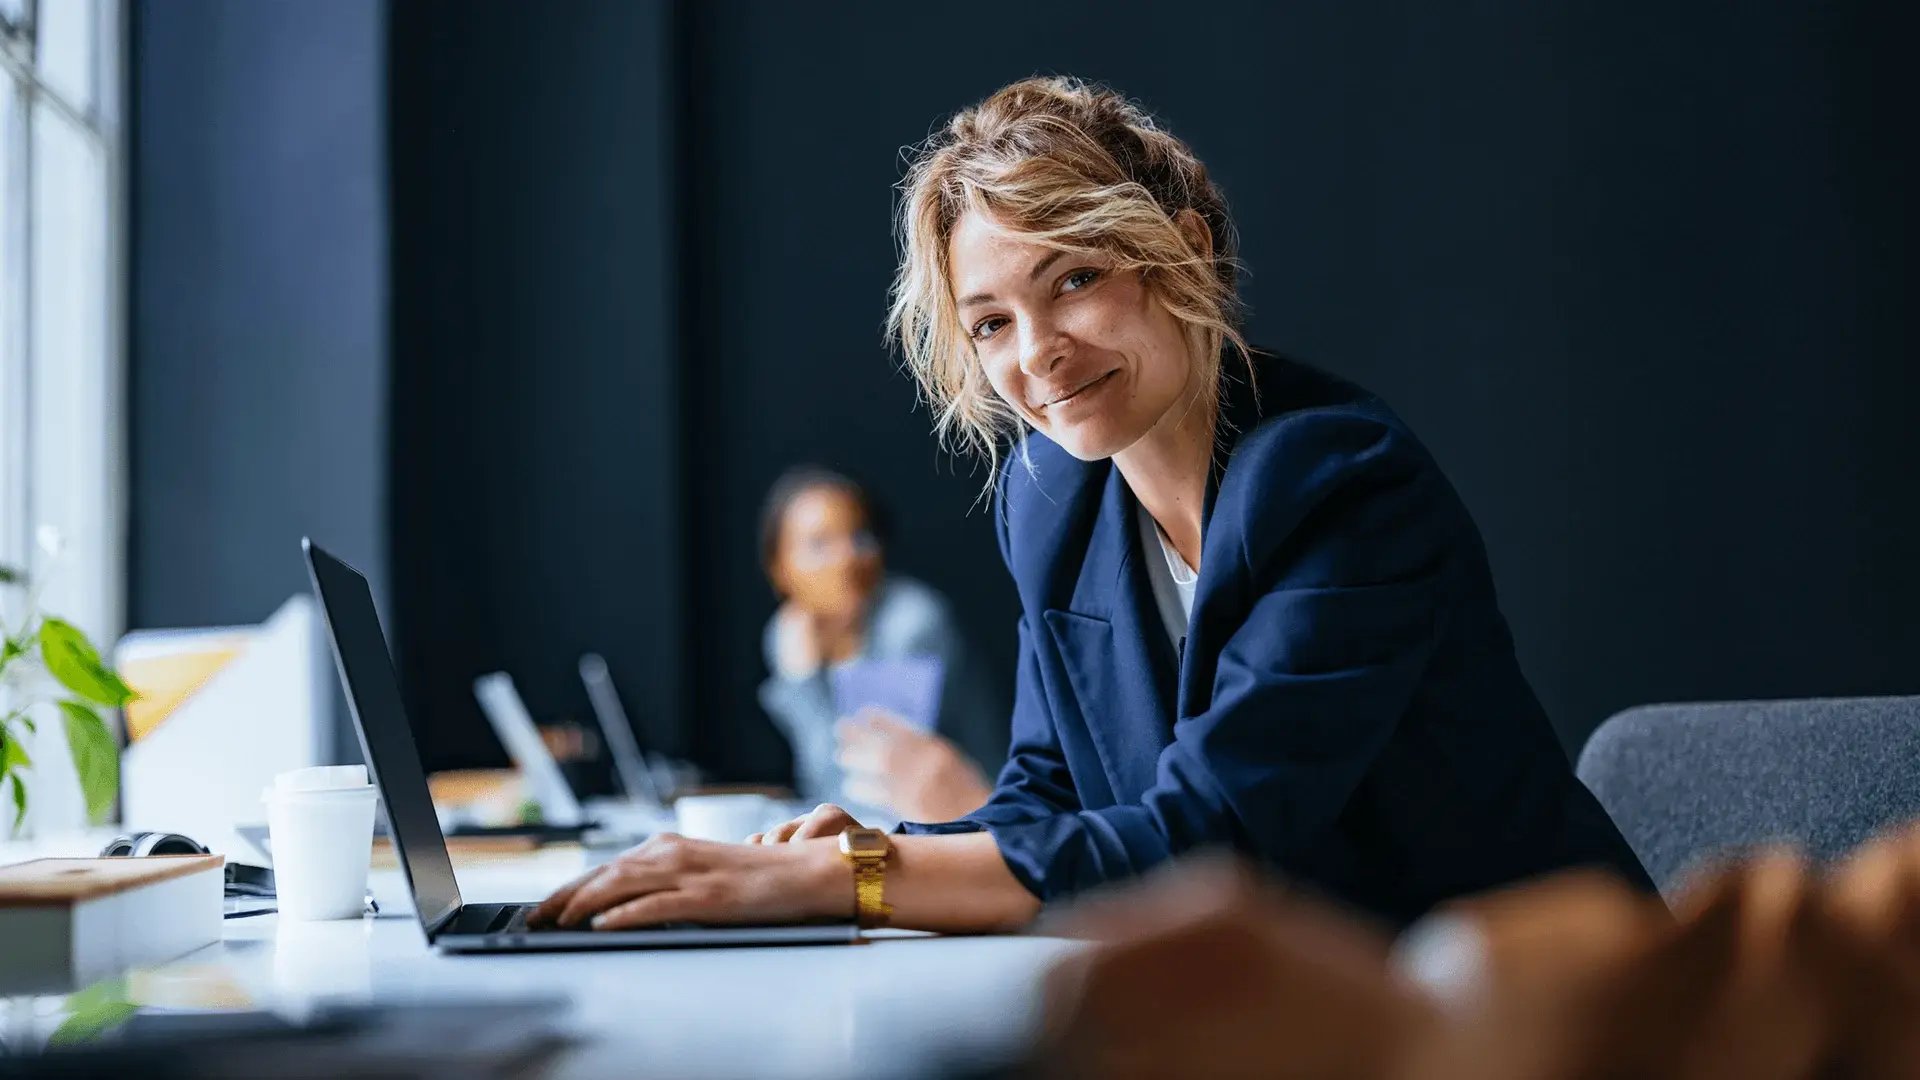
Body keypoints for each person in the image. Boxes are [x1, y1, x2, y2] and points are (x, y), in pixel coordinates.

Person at [532, 75, 1652, 936]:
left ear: (1185, 253)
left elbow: (1215, 838)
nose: (1041, 357)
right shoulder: (1051, 499)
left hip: (1543, 1014)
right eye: (990, 322)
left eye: (1073, 278)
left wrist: (850, 883)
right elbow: (1043, 799)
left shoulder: (1341, 483)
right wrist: (882, 843)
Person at [755, 465, 999, 821]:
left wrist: (804, 685)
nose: (847, 558)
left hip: (972, 824)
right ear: (779, 569)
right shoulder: (788, 633)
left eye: (860, 537)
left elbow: (873, 791)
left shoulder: (913, 623)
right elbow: (821, 786)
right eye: (819, 544)